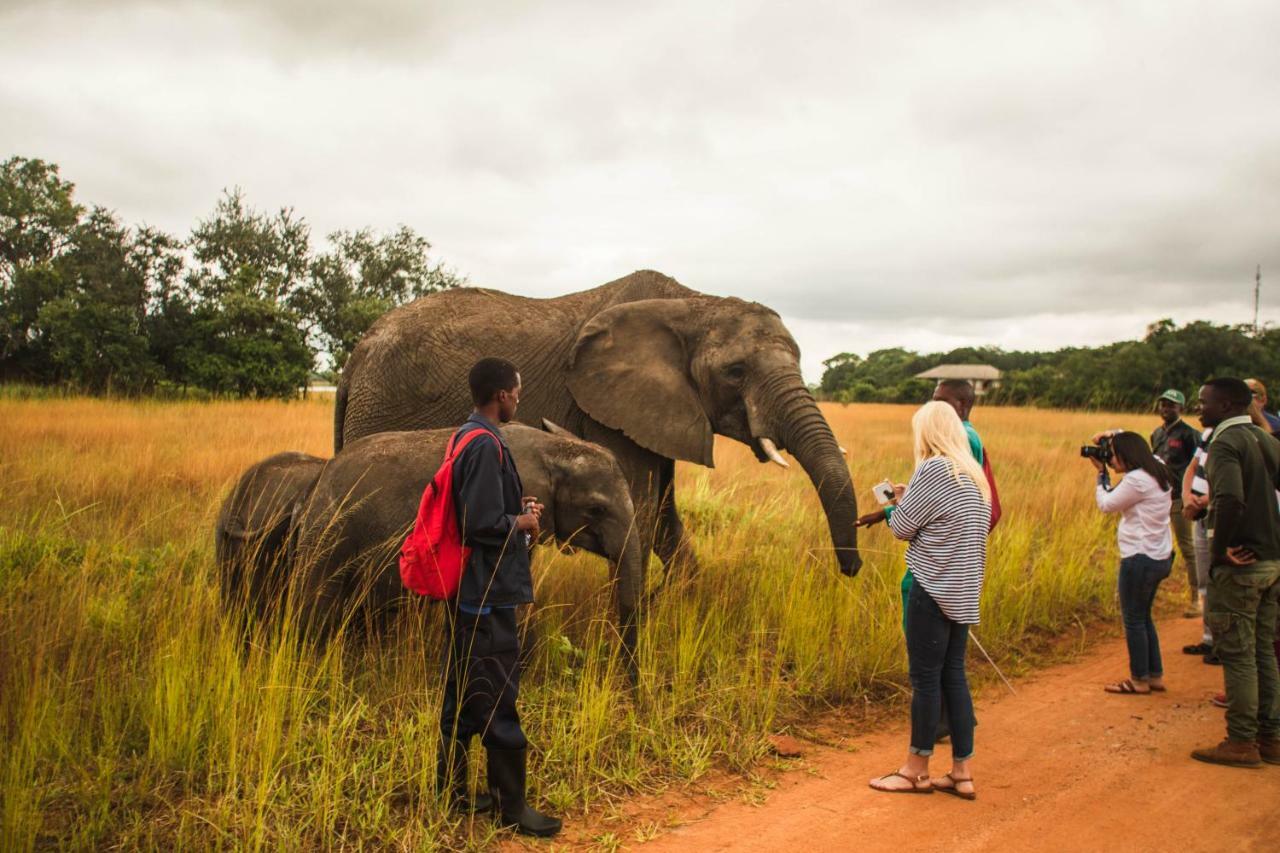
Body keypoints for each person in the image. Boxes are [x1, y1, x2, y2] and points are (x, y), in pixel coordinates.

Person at [438, 357, 562, 836]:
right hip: (487, 597)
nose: (519, 397)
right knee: (499, 696)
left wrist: (515, 511)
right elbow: (479, 523)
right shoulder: (487, 446)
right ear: (502, 395)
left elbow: (479, 512)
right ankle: (513, 808)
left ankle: (451, 794)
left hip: (468, 592)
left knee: (464, 692)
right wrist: (523, 521)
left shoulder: (463, 436)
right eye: (517, 390)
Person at [862, 401, 992, 798]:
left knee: (924, 680)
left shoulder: (933, 469)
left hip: (931, 590)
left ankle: (915, 770)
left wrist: (890, 503)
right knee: (955, 676)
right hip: (963, 593)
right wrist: (910, 496)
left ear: (927, 432)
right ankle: (961, 772)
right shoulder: (972, 475)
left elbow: (902, 528)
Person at [1190, 378, 1280, 769]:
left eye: (1204, 402)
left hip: (1242, 564)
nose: (1199, 409)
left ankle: (1241, 741)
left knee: (1238, 652)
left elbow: (1228, 499)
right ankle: (1270, 737)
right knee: (1263, 650)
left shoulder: (1225, 443)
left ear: (1225, 405)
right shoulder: (1267, 440)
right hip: (1270, 560)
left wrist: (1221, 551)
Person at [1087, 432, 1174, 694]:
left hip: (1139, 558)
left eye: (1114, 454)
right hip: (1159, 555)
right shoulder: (1158, 468)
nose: (1111, 459)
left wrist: (1101, 475)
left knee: (1134, 620)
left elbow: (1107, 504)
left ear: (1128, 454)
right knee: (1145, 617)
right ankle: (1154, 675)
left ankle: (1139, 679)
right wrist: (1112, 435)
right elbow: (1136, 444)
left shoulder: (1137, 480)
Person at [1150, 390, 1202, 617]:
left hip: (1180, 498)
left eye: (1171, 405)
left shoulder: (1190, 434)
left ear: (1180, 408)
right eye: (1163, 404)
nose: (1165, 409)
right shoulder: (1156, 434)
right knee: (1156, 546)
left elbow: (1199, 466)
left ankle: (1196, 599)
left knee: (1188, 548)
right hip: (1159, 497)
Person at [1180, 426, 1219, 665]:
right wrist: (1187, 496)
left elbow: (1238, 479)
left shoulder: (1236, 435)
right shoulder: (1207, 435)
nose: (1199, 409)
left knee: (1219, 578)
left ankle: (1222, 643)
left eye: (1205, 403)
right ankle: (1209, 638)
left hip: (1217, 513)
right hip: (1200, 513)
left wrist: (1205, 500)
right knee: (1205, 578)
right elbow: (1192, 467)